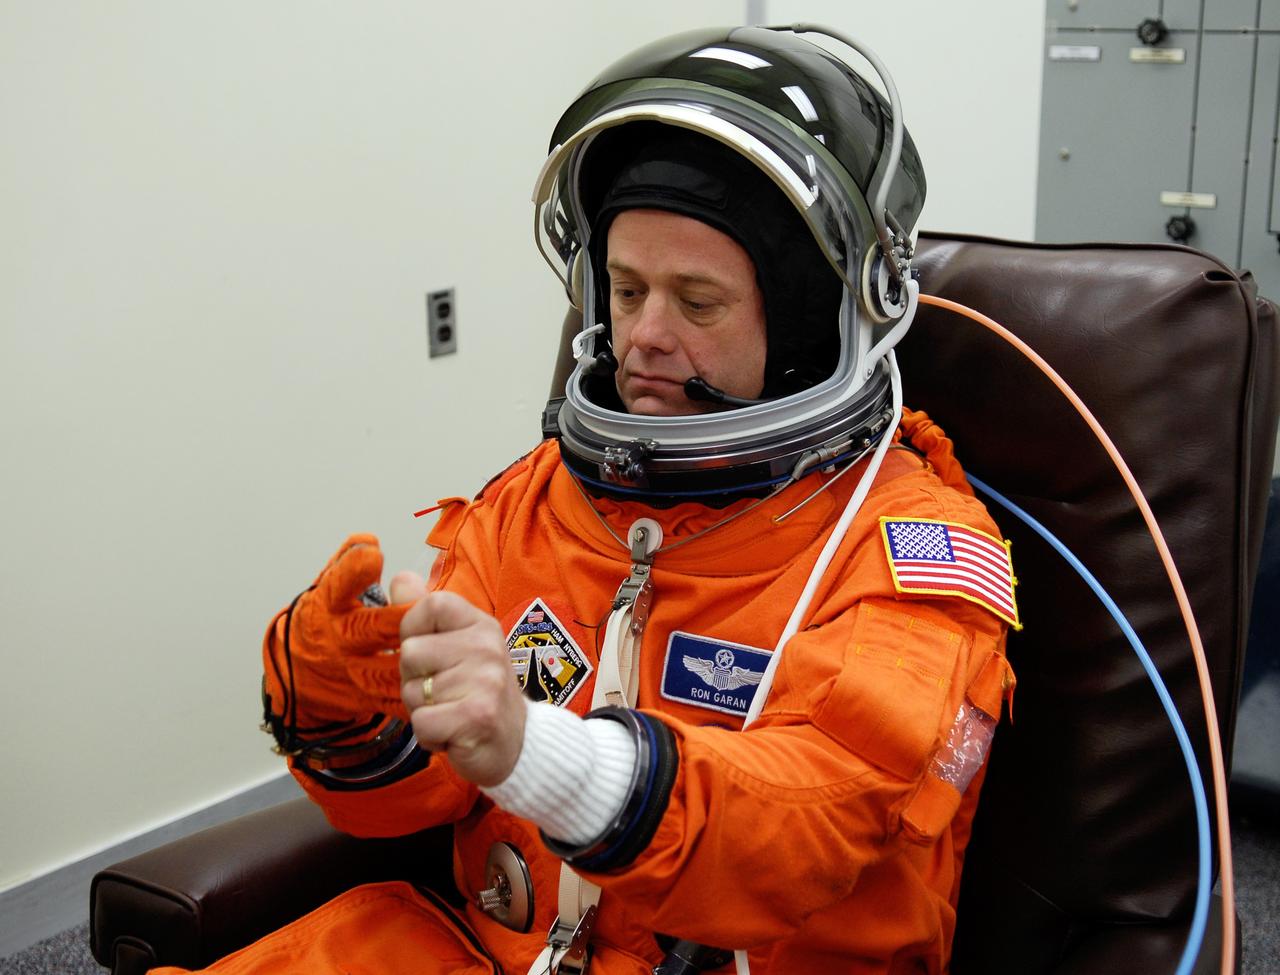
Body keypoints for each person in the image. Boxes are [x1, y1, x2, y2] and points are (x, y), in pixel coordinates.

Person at [175, 25, 1018, 975]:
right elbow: (411, 800)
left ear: (810, 323)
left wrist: (540, 751)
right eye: (624, 289)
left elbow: (811, 826)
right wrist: (345, 699)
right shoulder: (537, 505)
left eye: (698, 303)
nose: (642, 337)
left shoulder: (910, 550)